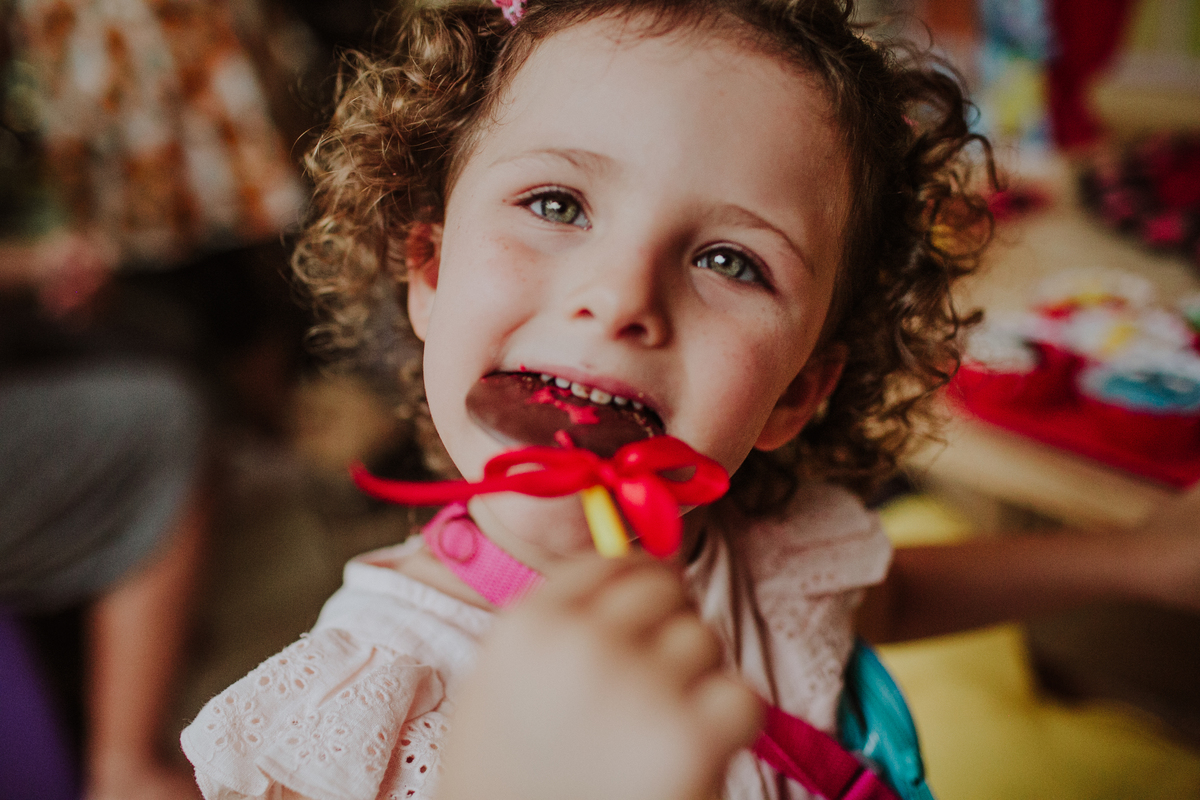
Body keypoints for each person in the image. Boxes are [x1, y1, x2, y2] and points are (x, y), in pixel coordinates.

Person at [179, 1, 1200, 799]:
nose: (621, 296)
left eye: (730, 259)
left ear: (800, 388)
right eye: (556, 203)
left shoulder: (758, 551)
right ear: (431, 271)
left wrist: (1138, 560)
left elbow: (870, 603)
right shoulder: (354, 713)